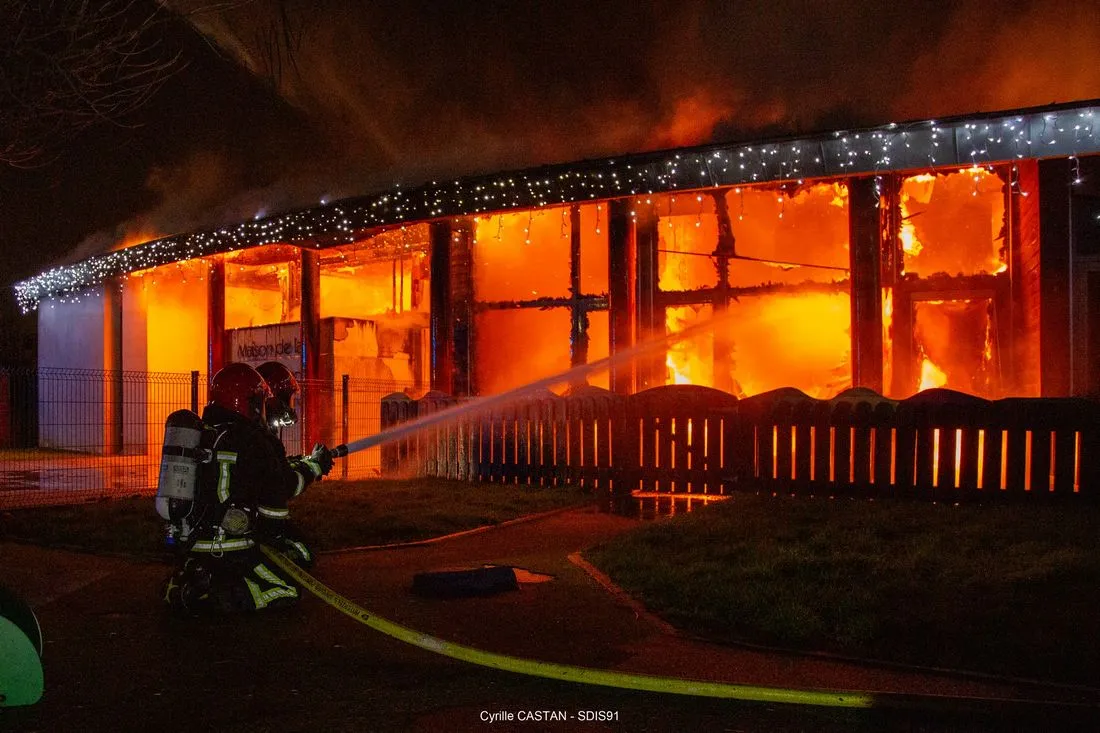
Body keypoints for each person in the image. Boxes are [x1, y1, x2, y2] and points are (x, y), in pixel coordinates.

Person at [162, 362, 333, 613]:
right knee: (285, 587)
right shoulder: (253, 440)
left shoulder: (207, 435)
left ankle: (189, 585)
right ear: (250, 403)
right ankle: (224, 594)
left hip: (193, 547)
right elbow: (280, 494)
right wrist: (315, 467)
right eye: (260, 402)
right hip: (234, 549)